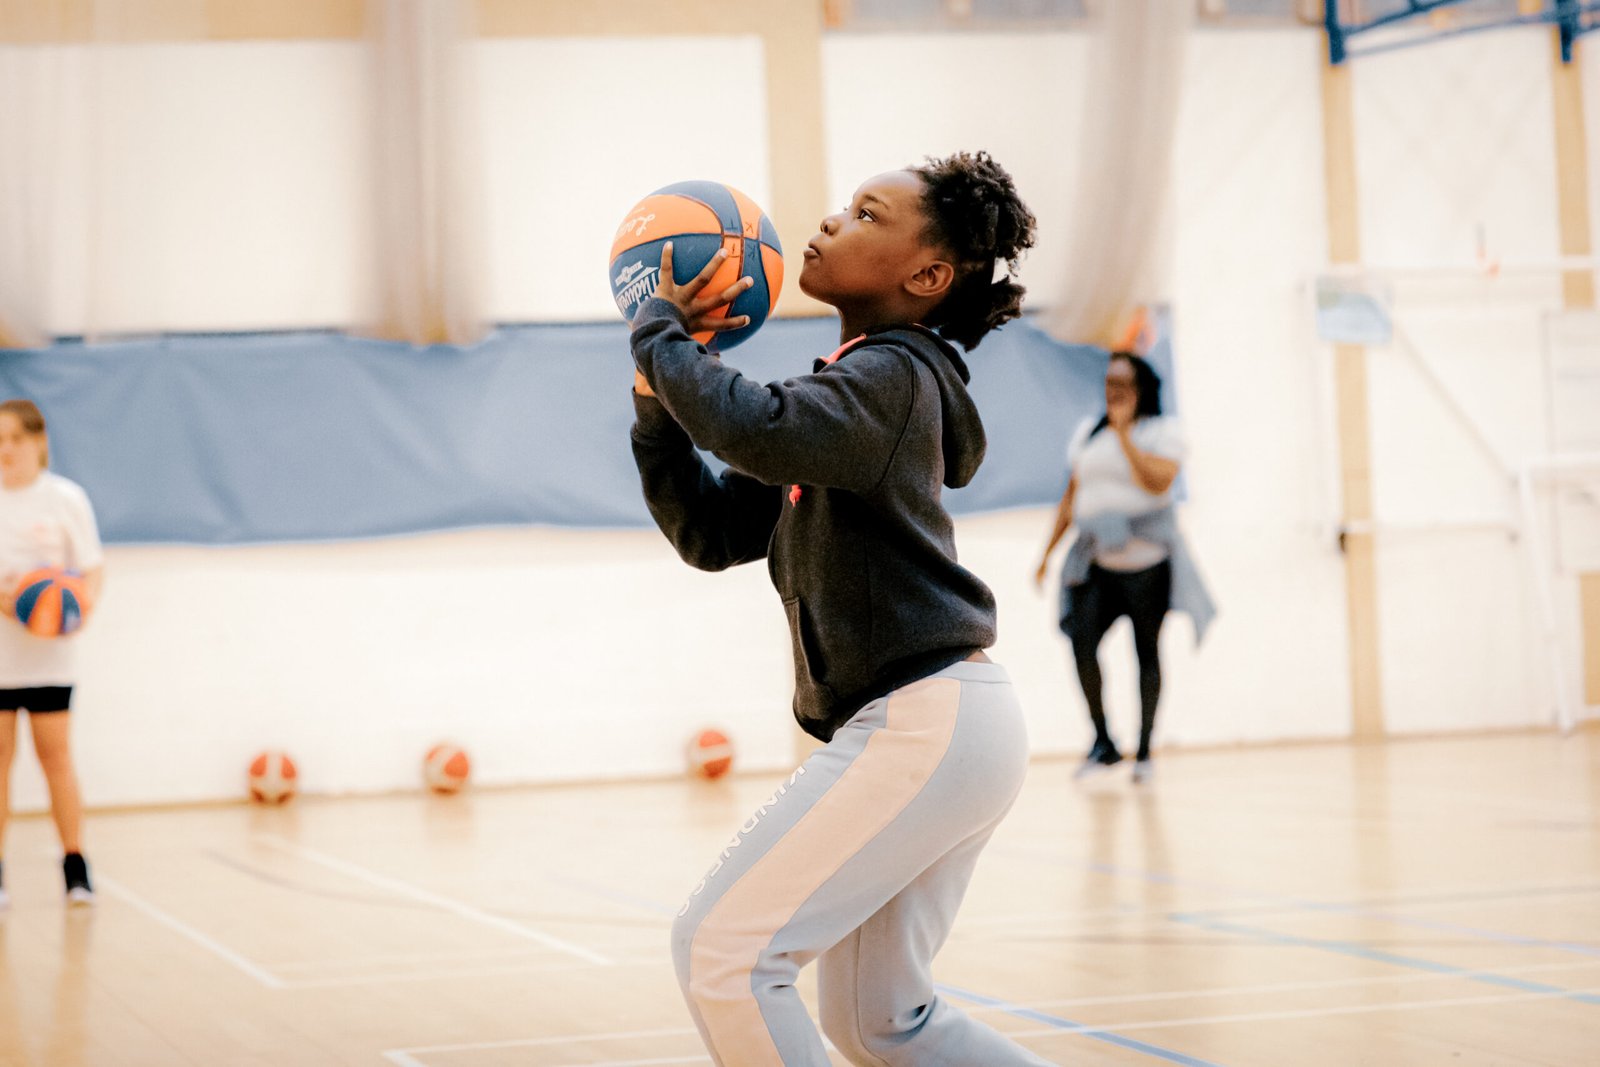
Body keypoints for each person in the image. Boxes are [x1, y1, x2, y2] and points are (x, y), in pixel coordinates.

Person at [628, 151, 1051, 1066]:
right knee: (882, 1020)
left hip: (928, 724)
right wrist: (658, 406)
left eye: (866, 214)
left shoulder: (891, 379)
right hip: (947, 729)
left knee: (723, 953)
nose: (826, 222)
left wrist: (660, 332)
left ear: (927, 275)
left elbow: (753, 422)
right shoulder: (856, 392)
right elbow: (707, 530)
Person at [1033, 351, 1213, 785]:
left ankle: (1145, 748)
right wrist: (1047, 553)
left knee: (1146, 652)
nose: (1112, 391)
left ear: (1141, 387)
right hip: (1098, 562)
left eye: (1121, 383)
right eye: (1108, 382)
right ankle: (1103, 742)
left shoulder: (1161, 431)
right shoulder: (1089, 435)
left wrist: (1126, 436)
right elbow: (1071, 495)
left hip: (1147, 564)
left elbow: (1158, 482)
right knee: (1081, 642)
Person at [0, 399, 104, 909]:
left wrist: (73, 611)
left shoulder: (65, 498)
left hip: (50, 658)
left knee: (56, 757)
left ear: (38, 441)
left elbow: (91, 570)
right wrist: (13, 603)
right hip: (1, 656)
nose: (4, 450)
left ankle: (75, 867)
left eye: (13, 438)